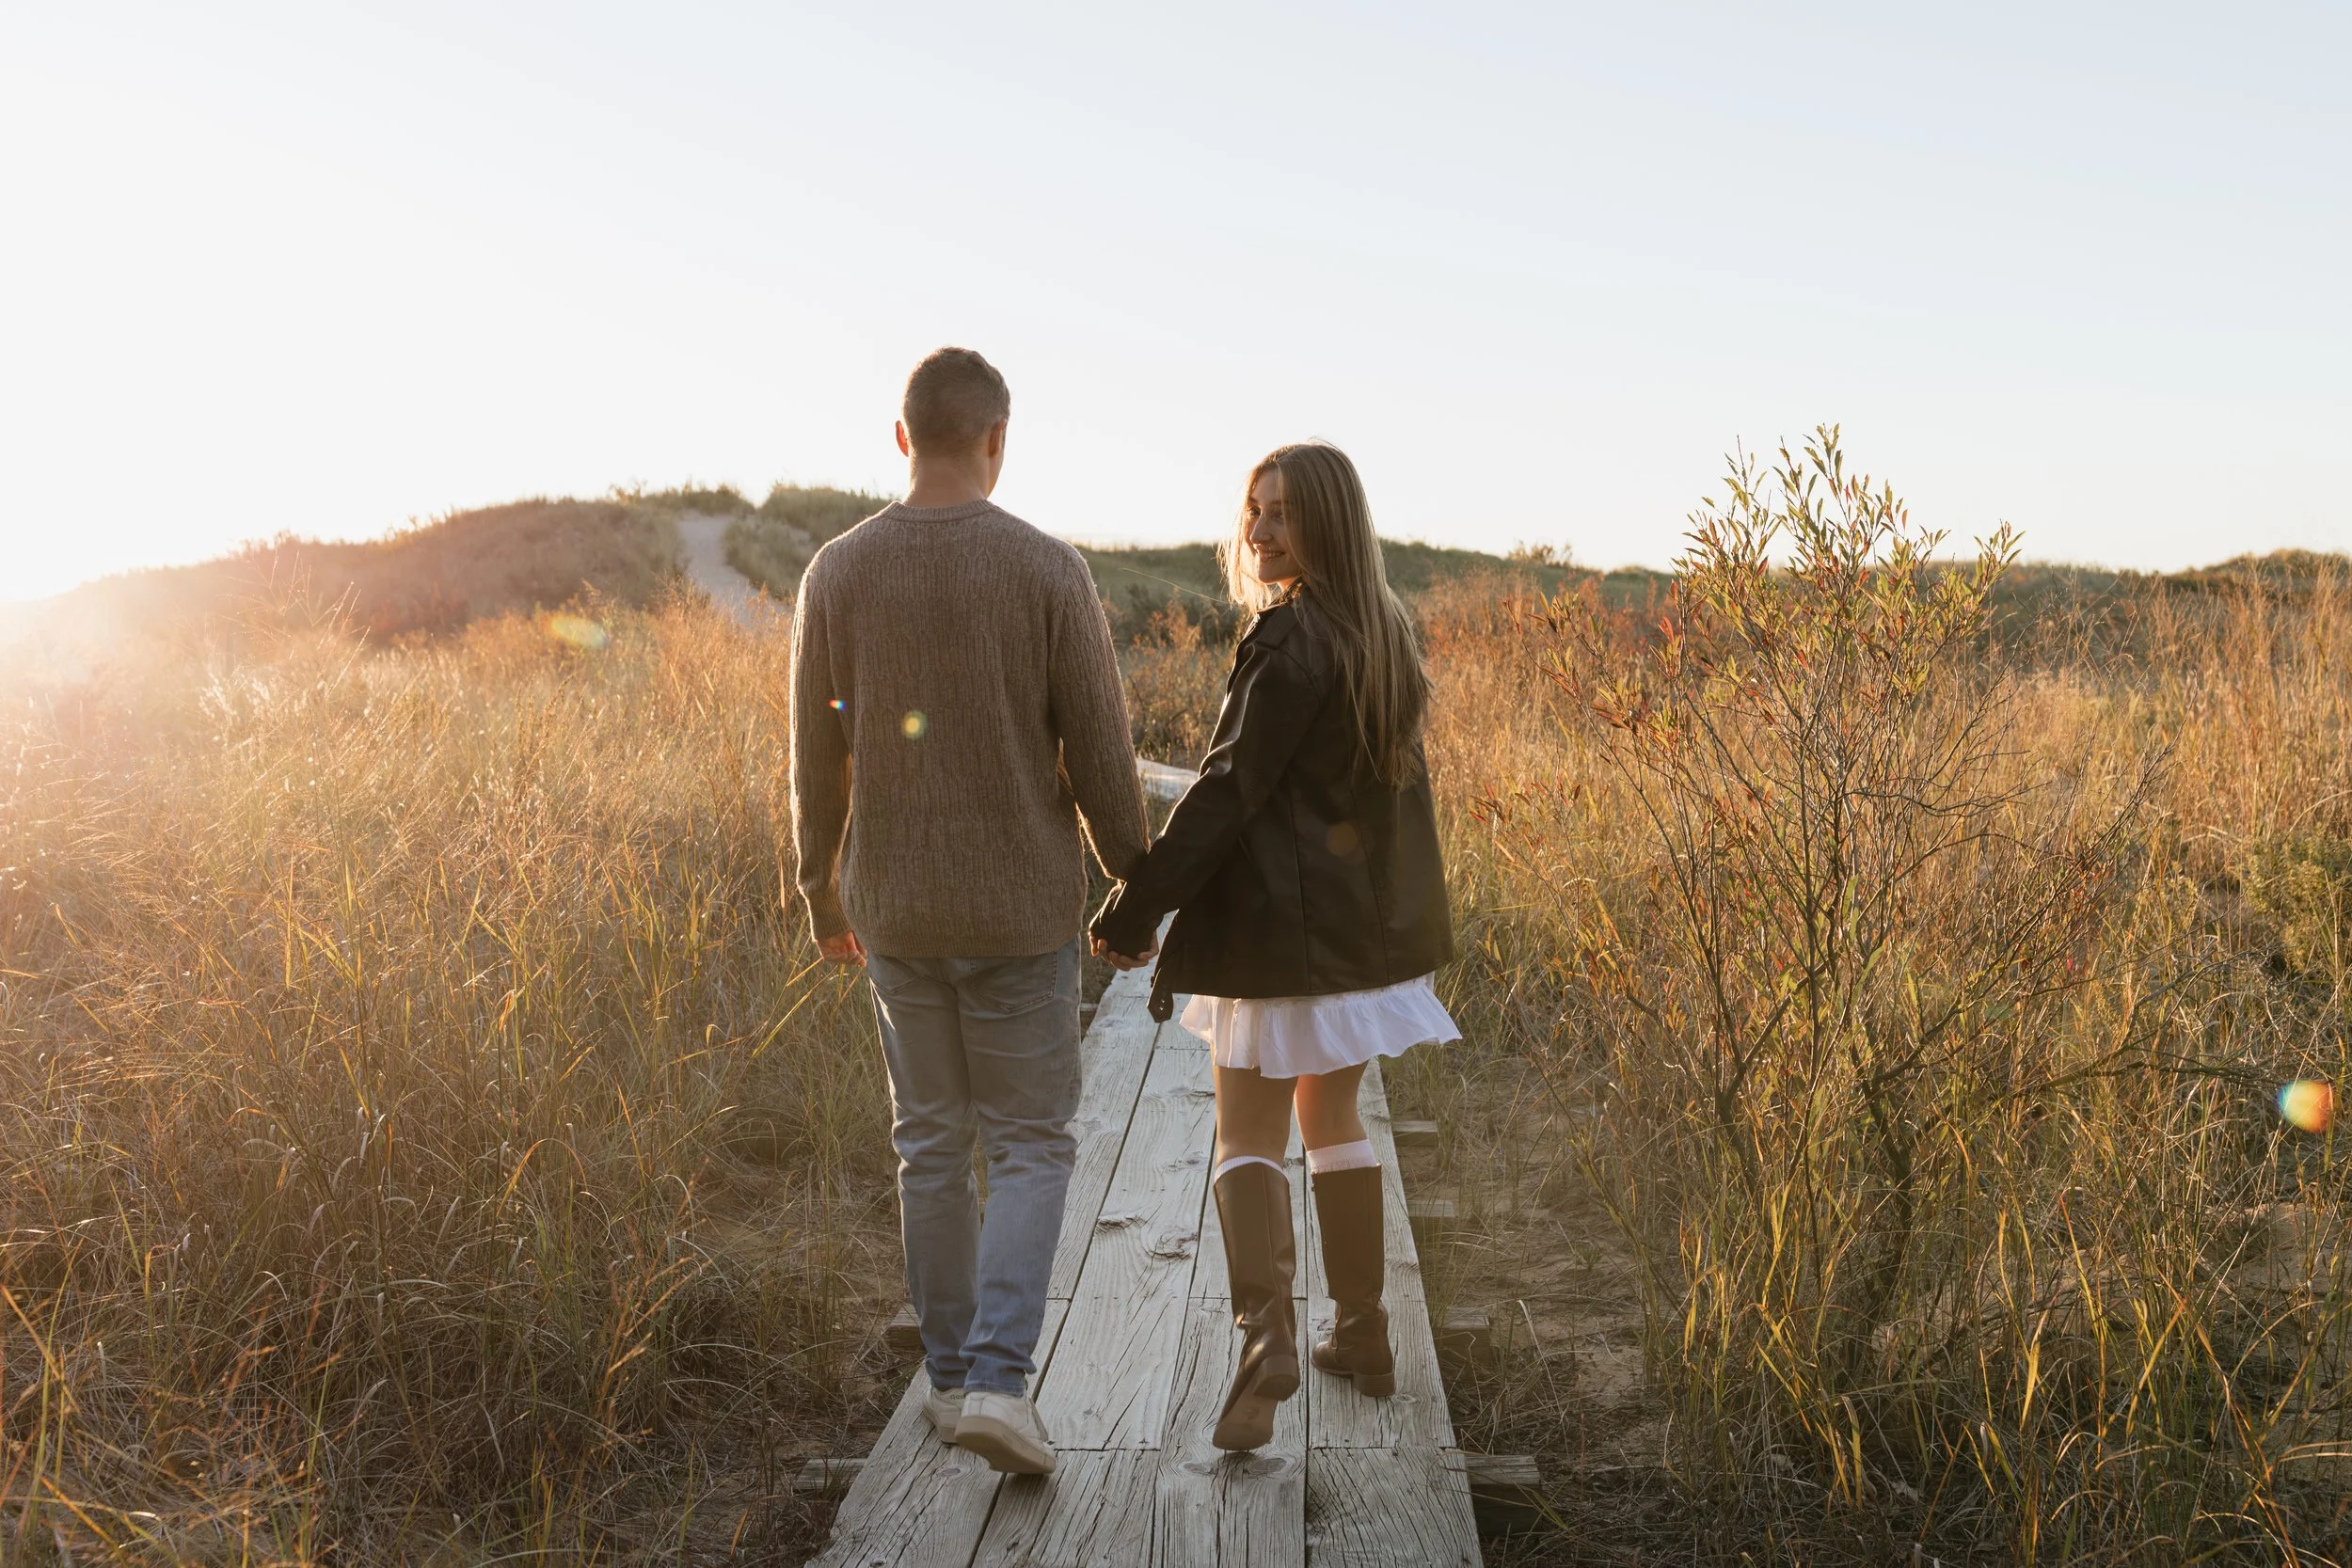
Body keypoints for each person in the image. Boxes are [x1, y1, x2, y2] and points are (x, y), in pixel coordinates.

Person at [789, 346, 1149, 1476]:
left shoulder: (835, 573)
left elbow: (817, 755)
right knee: (1032, 1138)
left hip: (894, 907)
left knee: (929, 1143)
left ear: (902, 437)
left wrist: (817, 883)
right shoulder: (1047, 569)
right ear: (998, 436)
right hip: (1017, 911)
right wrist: (1138, 875)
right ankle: (997, 1377)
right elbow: (1100, 752)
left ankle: (950, 1382)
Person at [1089, 441, 1456, 1452]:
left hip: (1272, 933)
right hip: (1354, 941)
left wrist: (1136, 907)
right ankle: (1364, 1333)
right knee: (1332, 1115)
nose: (1258, 530)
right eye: (1253, 509)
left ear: (1329, 521)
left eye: (1283, 512)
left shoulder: (1288, 637)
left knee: (1244, 1132)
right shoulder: (1383, 631)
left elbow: (1227, 790)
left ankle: (1266, 1338)